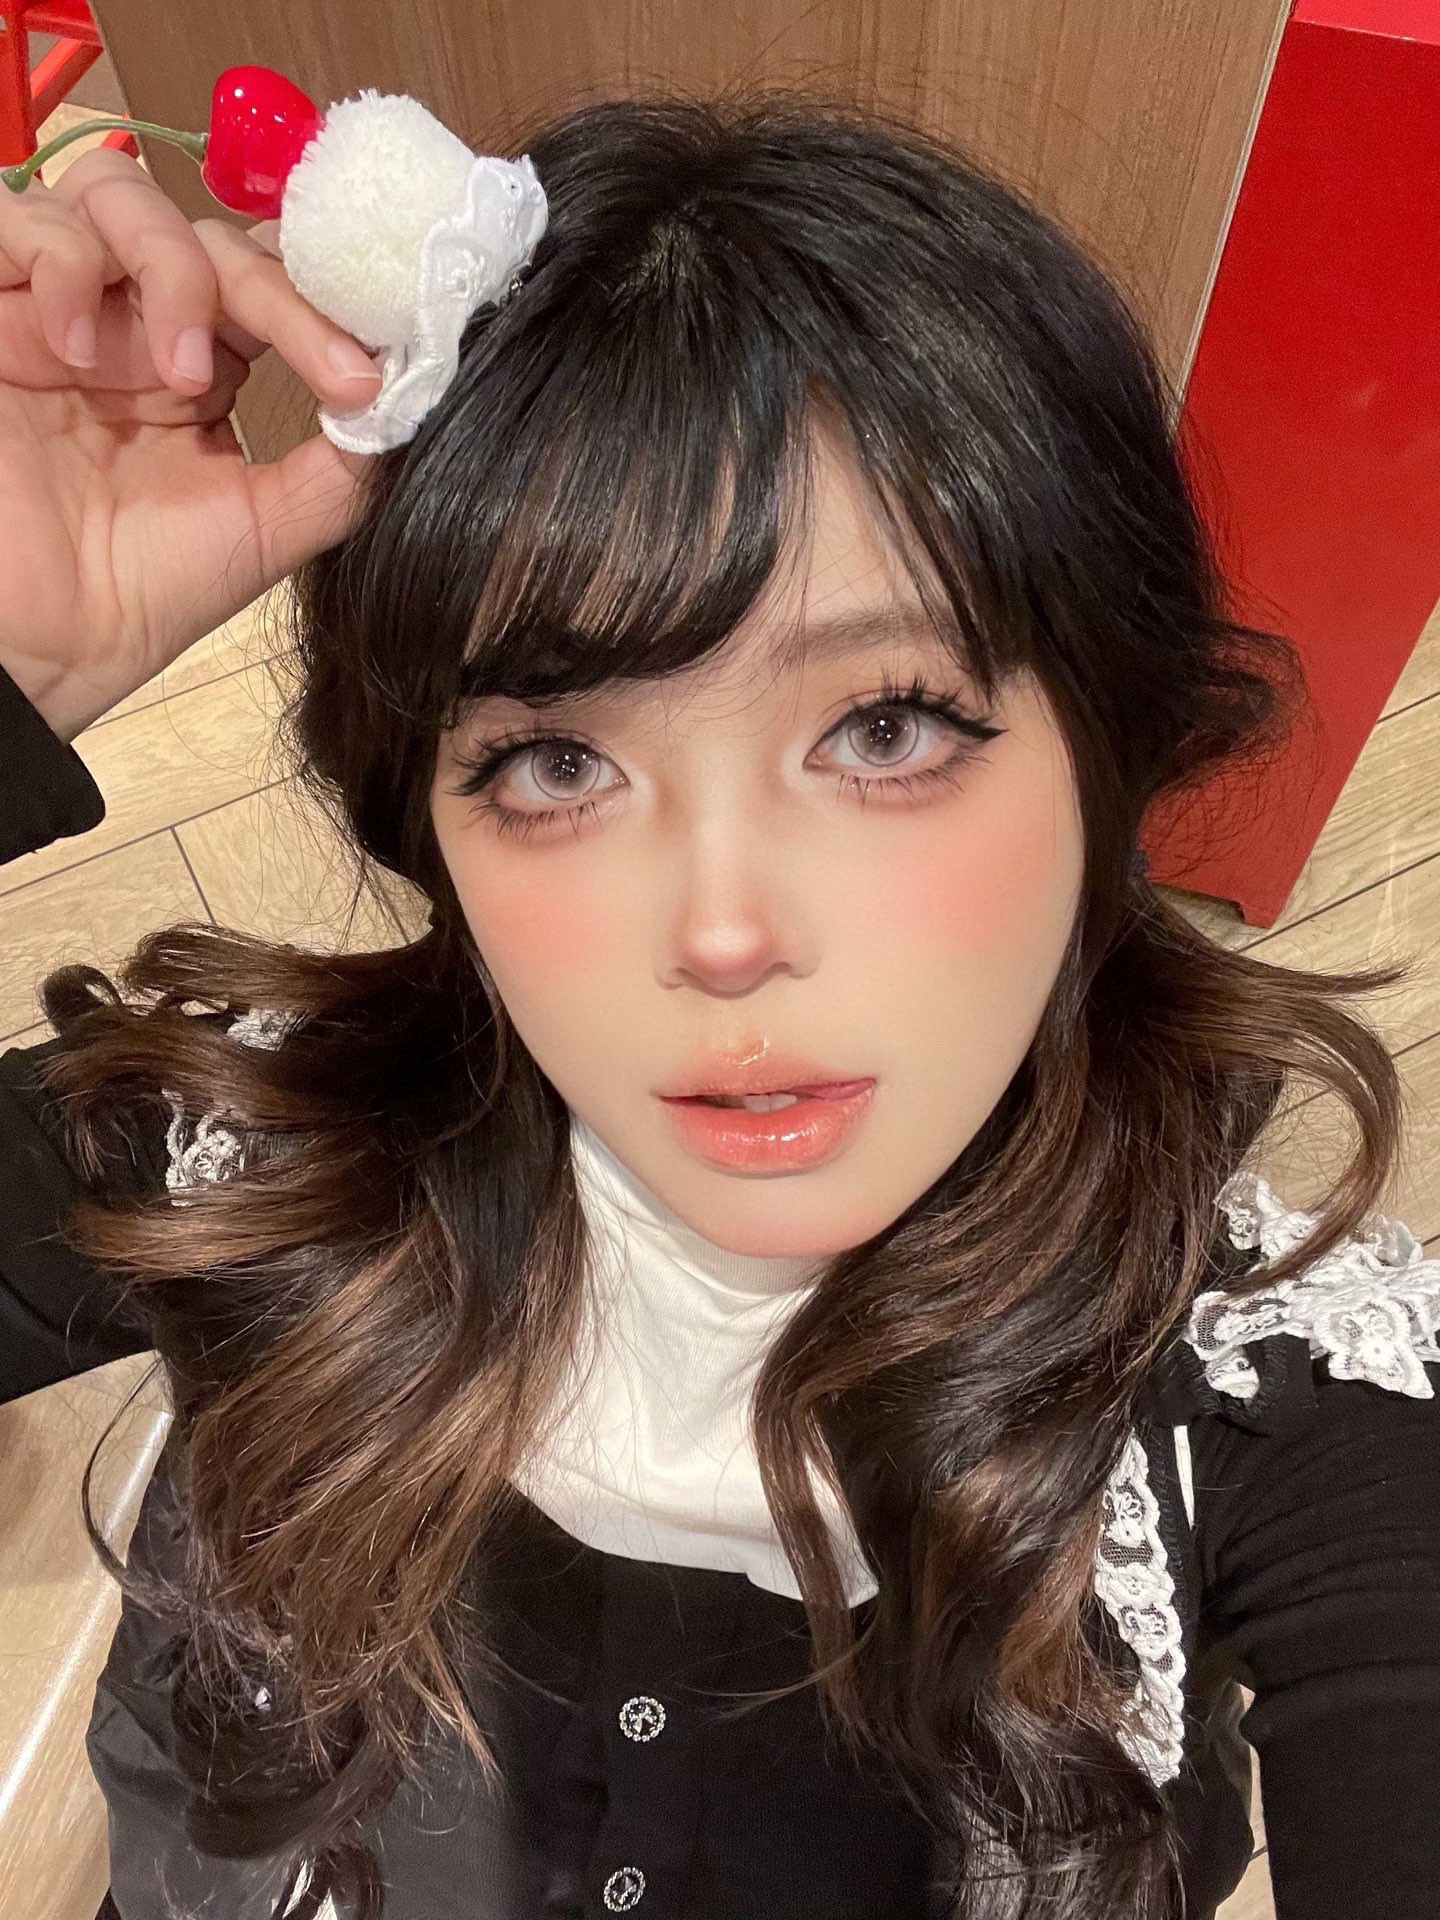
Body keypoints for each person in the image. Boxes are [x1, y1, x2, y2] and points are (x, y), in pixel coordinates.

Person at [0, 89, 1436, 1920]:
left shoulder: (1290, 1411)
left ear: (1105, 741)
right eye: (556, 764)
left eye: (886, 728)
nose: (726, 933)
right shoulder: (254, 1150)